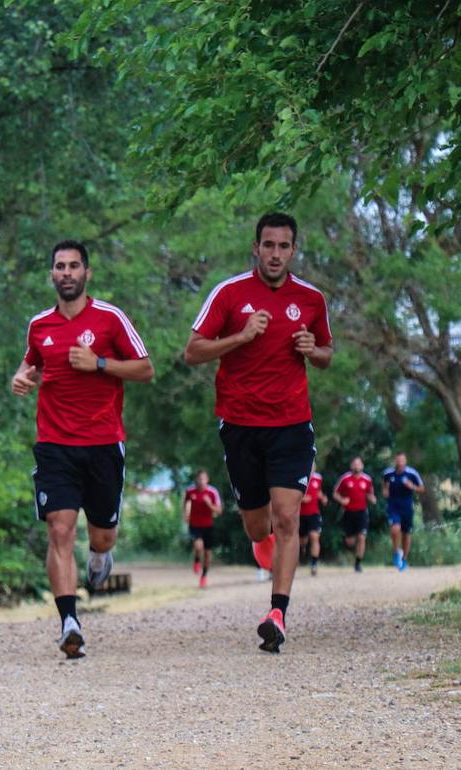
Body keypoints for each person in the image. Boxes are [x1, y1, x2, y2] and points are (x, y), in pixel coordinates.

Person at [184, 212, 333, 653]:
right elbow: (192, 351)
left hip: (291, 422)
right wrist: (241, 337)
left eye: (283, 246)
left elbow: (327, 353)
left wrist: (315, 351)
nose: (275, 254)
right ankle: (262, 546)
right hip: (241, 424)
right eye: (268, 245)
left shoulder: (310, 298)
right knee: (256, 526)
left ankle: (277, 613)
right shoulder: (229, 294)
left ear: (293, 251)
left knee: (288, 517)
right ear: (256, 248)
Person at [10, 239, 153, 659]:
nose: (67, 273)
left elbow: (146, 369)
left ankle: (99, 554)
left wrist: (101, 364)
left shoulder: (110, 319)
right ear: (52, 274)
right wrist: (22, 378)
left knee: (103, 535)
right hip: (54, 444)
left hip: (104, 443)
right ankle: (69, 621)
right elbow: (31, 364)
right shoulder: (40, 325)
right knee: (58, 528)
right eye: (60, 266)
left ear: (87, 274)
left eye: (74, 266)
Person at [333, 456, 376, 572]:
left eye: (359, 464)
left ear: (362, 466)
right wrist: (342, 500)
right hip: (348, 513)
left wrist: (372, 498)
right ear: (351, 465)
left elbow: (370, 493)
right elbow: (335, 493)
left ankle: (358, 564)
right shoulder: (345, 479)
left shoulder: (367, 479)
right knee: (350, 542)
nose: (357, 466)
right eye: (355, 464)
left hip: (362, 512)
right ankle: (351, 545)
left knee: (362, 537)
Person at [382, 452, 424, 571]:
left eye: (402, 460)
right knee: (395, 529)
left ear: (405, 461)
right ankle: (396, 553)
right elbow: (384, 488)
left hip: (407, 508)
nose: (400, 462)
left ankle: (404, 559)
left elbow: (422, 488)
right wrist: (385, 492)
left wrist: (412, 487)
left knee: (406, 534)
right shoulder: (388, 473)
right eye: (398, 460)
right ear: (395, 461)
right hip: (393, 507)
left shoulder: (412, 473)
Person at [183, 469, 222, 588]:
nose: (201, 482)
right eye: (199, 479)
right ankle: (196, 561)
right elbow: (185, 503)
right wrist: (186, 514)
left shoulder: (212, 492)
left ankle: (204, 576)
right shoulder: (190, 491)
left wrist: (209, 504)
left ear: (207, 480)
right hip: (195, 525)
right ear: (196, 480)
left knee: (208, 553)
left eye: (203, 479)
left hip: (208, 526)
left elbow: (219, 511)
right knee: (198, 546)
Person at [299, 463, 328, 576]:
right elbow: (292, 494)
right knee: (303, 540)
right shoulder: (299, 477)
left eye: (313, 465)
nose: (311, 467)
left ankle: (314, 564)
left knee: (314, 536)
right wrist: (301, 498)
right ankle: (302, 549)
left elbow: (318, 491)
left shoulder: (318, 478)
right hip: (300, 514)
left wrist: (323, 497)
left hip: (314, 514)